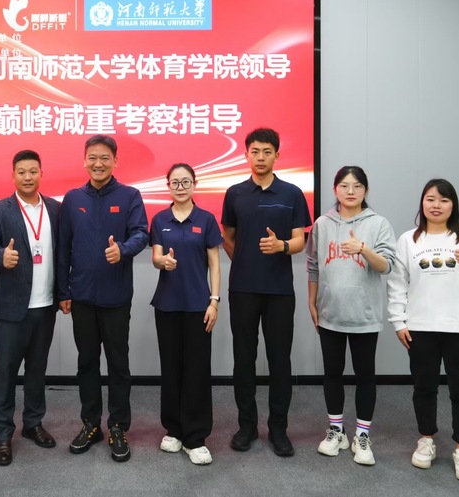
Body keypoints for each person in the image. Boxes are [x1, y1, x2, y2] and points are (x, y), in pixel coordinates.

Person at [387, 178, 459, 484]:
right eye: (430, 199)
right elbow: (397, 284)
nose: (436, 205)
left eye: (444, 200)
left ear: (453, 205)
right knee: (424, 388)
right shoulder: (408, 240)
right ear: (422, 203)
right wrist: (398, 321)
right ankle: (426, 439)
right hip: (421, 328)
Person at [221, 127, 312, 457]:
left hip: (279, 291)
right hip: (243, 289)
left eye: (267, 152)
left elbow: (300, 240)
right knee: (243, 359)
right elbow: (228, 237)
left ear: (277, 155)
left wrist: (281, 246)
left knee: (279, 360)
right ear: (246, 154)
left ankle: (278, 428)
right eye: (255, 151)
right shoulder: (234, 193)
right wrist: (246, 261)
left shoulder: (292, 193)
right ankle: (246, 426)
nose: (260, 157)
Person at [57, 134, 148, 462]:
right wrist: (63, 291)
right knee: (87, 363)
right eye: (93, 158)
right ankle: (91, 424)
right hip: (81, 296)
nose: (98, 163)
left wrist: (122, 249)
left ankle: (119, 426)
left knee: (118, 364)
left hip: (115, 296)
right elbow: (62, 247)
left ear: (115, 161)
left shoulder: (129, 196)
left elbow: (142, 233)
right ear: (85, 161)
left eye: (105, 158)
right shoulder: (72, 199)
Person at [306, 166, 396, 465]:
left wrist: (363, 249)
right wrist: (311, 301)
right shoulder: (322, 224)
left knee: (365, 375)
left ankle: (362, 435)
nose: (350, 191)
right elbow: (313, 265)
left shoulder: (378, 223)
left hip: (364, 315)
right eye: (344, 185)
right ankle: (336, 430)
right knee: (332, 373)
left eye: (357, 186)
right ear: (335, 189)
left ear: (365, 190)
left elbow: (386, 266)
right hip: (330, 312)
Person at [0, 150, 61, 466]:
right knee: (5, 373)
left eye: (33, 171)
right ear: (13, 175)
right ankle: (2, 434)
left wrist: (64, 293)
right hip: (12, 307)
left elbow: (63, 252)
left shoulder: (55, 208)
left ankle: (33, 423)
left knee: (37, 371)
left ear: (41, 173)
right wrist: (1, 257)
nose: (28, 177)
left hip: (45, 305)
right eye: (22, 172)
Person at [149, 163, 222, 465]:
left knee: (197, 370)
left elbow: (215, 263)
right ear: (168, 186)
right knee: (171, 369)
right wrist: (162, 262)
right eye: (175, 182)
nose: (180, 187)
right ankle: (174, 430)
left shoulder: (206, 220)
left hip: (198, 307)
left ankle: (196, 437)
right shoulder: (159, 219)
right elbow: (155, 257)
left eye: (186, 182)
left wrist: (214, 301)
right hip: (167, 306)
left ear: (194, 184)